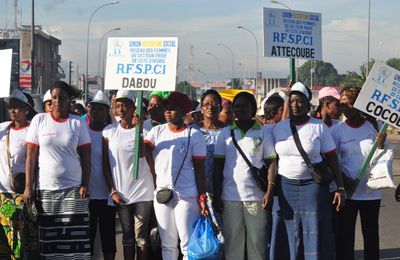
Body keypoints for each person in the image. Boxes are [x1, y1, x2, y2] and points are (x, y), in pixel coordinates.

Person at [271, 82, 345, 260]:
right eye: (293, 101)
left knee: (314, 230)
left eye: (300, 101)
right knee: (288, 230)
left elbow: (332, 159)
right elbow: (272, 160)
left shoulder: (319, 127)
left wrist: (340, 188)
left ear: (308, 104)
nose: (296, 105)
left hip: (313, 187)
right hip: (285, 187)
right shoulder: (278, 128)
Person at [23, 80, 91, 259]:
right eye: (54, 97)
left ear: (69, 99)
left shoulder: (77, 123)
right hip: (47, 189)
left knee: (74, 239)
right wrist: (28, 187)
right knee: (50, 240)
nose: (57, 100)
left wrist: (85, 183)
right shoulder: (40, 120)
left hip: (74, 189)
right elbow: (30, 157)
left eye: (62, 97)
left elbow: (86, 157)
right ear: (50, 99)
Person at [213, 91, 277, 260]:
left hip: (257, 198)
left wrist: (270, 191)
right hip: (230, 198)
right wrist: (217, 195)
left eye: (244, 106)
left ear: (253, 109)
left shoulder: (263, 132)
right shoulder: (225, 134)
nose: (240, 110)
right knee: (234, 246)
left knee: (258, 244)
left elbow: (271, 163)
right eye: (237, 106)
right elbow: (217, 167)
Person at [144, 92, 208, 260]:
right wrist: (137, 129)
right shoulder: (157, 132)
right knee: (167, 244)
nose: (168, 112)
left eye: (173, 109)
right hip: (163, 195)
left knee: (187, 244)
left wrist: (202, 197)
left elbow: (200, 169)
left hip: (186, 196)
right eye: (167, 108)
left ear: (183, 111)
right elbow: (142, 152)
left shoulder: (194, 135)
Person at [333, 86, 385, 260]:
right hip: (348, 194)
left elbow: (385, 156)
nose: (345, 108)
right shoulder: (337, 130)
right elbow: (332, 162)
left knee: (371, 235)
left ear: (360, 104)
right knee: (345, 237)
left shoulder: (375, 126)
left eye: (350, 103)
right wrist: (343, 180)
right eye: (342, 104)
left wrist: (382, 144)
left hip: (371, 192)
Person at [103, 90, 154, 260]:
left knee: (141, 236)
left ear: (134, 108)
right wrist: (113, 191)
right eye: (118, 106)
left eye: (125, 105)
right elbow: (106, 164)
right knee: (127, 236)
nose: (122, 109)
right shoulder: (109, 131)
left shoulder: (145, 131)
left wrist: (138, 129)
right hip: (121, 192)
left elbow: (142, 154)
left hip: (142, 191)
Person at [0, 89, 38, 259]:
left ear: (26, 109)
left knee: (23, 240)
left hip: (22, 193)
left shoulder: (32, 131)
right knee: (6, 242)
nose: (12, 110)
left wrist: (30, 188)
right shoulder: (2, 129)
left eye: (17, 107)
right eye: (11, 107)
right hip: (3, 194)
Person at [193, 89, 225, 248]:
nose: (210, 107)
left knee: (222, 233)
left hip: (221, 188)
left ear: (220, 107)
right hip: (197, 189)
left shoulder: (227, 130)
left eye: (214, 104)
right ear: (201, 107)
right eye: (206, 104)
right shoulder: (193, 130)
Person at [87, 90, 116, 260]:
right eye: (92, 108)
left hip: (107, 194)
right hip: (87, 194)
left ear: (106, 112)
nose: (95, 112)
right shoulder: (82, 130)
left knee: (108, 237)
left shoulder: (112, 132)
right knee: (87, 237)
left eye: (99, 109)